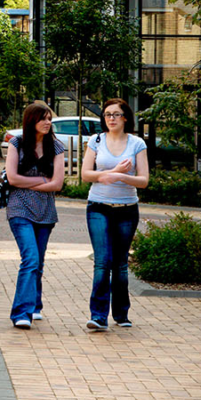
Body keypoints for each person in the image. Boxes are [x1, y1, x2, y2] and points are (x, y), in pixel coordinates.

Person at [80, 98, 148, 331]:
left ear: (125, 118)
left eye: (116, 114)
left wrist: (119, 176)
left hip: (127, 209)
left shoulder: (136, 143)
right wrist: (111, 172)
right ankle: (98, 316)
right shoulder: (96, 140)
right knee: (102, 262)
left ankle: (121, 314)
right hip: (98, 206)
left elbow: (144, 180)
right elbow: (86, 174)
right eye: (108, 114)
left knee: (120, 264)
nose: (111, 118)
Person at [4, 101, 67, 329]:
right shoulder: (17, 144)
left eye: (49, 118)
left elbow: (58, 184)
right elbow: (12, 178)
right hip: (19, 209)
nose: (48, 122)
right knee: (30, 259)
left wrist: (29, 184)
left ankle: (36, 304)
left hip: (46, 212)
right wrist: (42, 181)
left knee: (37, 262)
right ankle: (22, 313)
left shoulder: (57, 147)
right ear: (31, 121)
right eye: (43, 118)